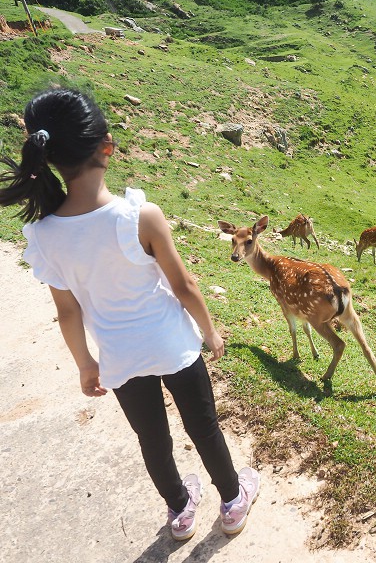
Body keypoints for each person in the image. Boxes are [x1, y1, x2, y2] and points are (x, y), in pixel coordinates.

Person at [0, 87, 259, 541]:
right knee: (203, 426)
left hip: (118, 358)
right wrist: (211, 333)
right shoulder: (140, 215)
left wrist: (86, 364)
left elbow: (67, 312)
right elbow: (185, 286)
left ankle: (180, 510)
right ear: (107, 146)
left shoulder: (43, 236)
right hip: (173, 346)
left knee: (152, 441)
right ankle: (233, 500)